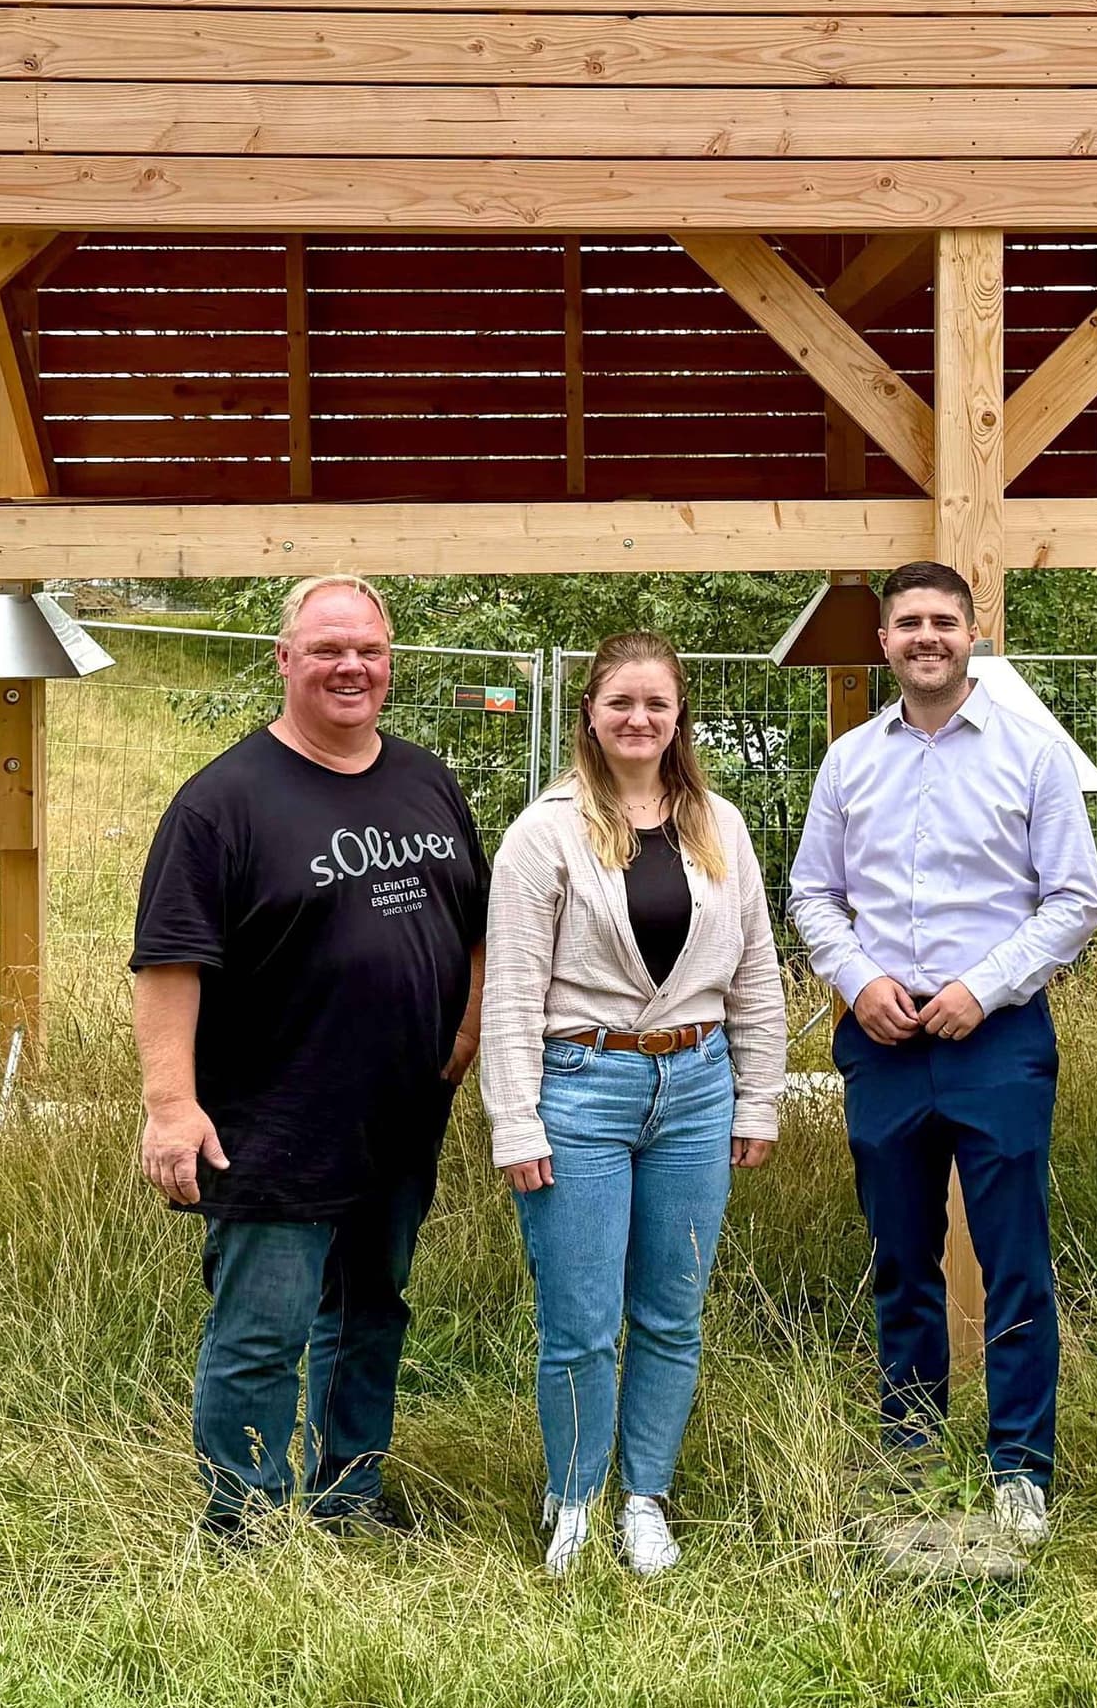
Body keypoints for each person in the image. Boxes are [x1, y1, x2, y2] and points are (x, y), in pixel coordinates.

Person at [131, 573, 488, 1536]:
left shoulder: (425, 777)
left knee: (371, 1310)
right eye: (328, 649)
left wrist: (466, 1026)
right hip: (272, 1120)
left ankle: (347, 1498)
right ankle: (244, 1521)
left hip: (403, 1112)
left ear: (390, 662)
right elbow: (168, 962)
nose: (350, 667)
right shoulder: (221, 804)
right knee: (264, 1331)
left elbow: (476, 917)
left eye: (367, 650)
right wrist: (172, 1106)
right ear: (285, 659)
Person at [788, 560, 1097, 1542]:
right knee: (900, 1253)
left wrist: (984, 986)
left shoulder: (1030, 755)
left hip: (995, 1037)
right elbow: (811, 895)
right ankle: (913, 1453)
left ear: (974, 635)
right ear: (884, 641)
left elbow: (1075, 901)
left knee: (1012, 1257)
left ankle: (1019, 1470)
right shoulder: (850, 763)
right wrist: (859, 981)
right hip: (883, 1039)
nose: (926, 636)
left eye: (944, 621)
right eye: (908, 623)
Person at [477, 631, 789, 1579]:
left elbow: (756, 973)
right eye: (621, 703)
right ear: (590, 714)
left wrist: (759, 1098)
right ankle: (574, 1495)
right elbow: (513, 988)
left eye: (656, 703)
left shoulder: (718, 826)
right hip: (582, 1087)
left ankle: (644, 1494)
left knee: (671, 1311)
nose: (639, 720)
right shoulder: (547, 831)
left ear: (678, 714)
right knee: (580, 1315)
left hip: (696, 1086)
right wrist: (515, 1118)